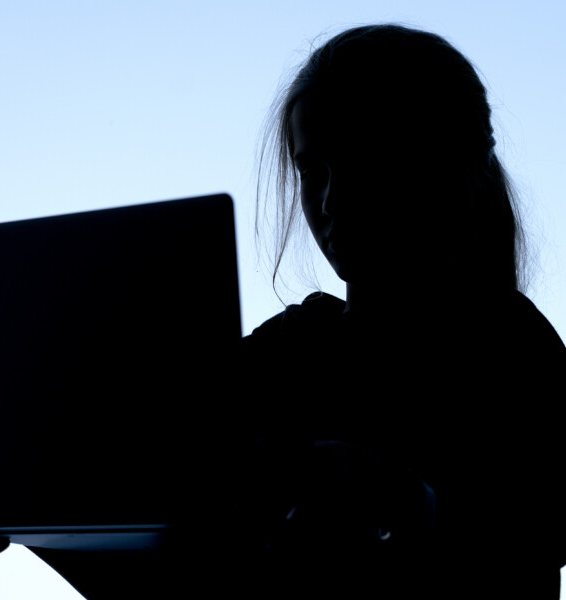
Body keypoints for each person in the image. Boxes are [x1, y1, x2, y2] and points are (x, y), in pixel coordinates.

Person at [240, 24, 566, 599]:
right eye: (312, 171)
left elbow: (529, 544)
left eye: (363, 158)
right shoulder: (282, 352)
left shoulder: (517, 352)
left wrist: (404, 500)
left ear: (439, 164)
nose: (331, 200)